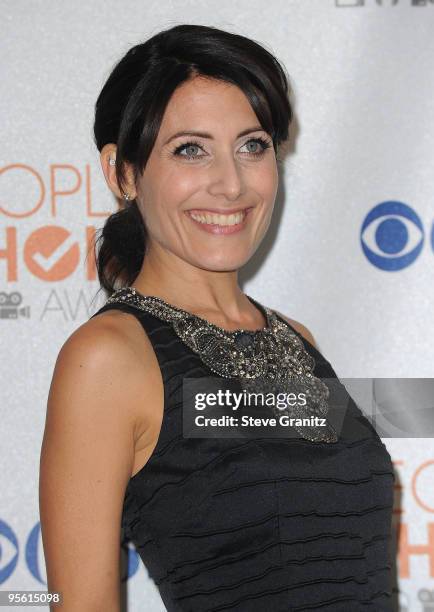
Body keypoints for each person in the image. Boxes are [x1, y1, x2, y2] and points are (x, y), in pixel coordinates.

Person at [39, 24, 396, 611]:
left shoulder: (294, 340)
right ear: (122, 174)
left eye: (252, 145)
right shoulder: (109, 359)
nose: (230, 184)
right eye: (190, 149)